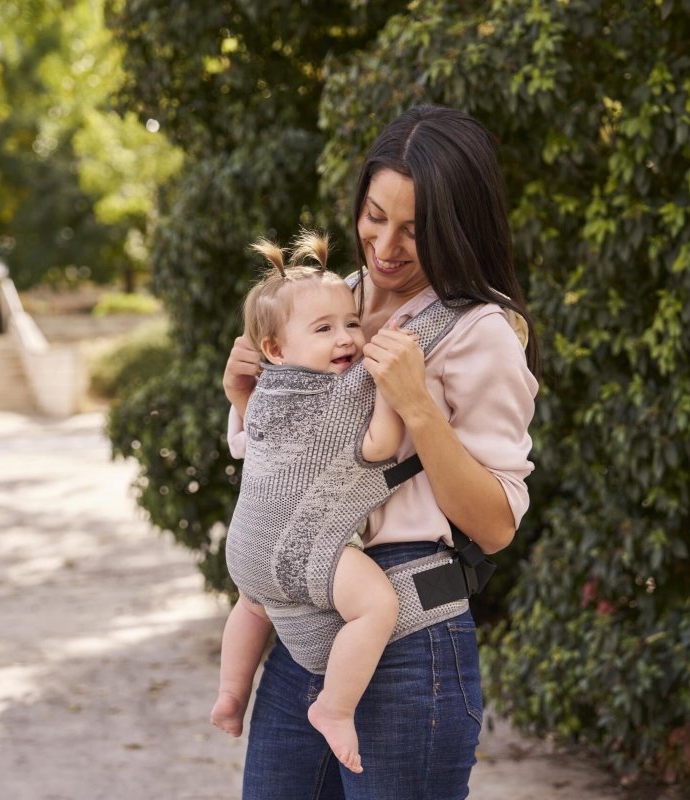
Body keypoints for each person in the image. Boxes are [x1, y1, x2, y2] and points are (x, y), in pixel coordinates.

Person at [220, 104, 539, 800]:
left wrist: (418, 406)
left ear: (458, 226)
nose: (385, 245)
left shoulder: (480, 332)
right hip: (303, 634)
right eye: (374, 215)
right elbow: (286, 470)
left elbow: (495, 525)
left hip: (407, 641)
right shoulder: (325, 303)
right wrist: (244, 397)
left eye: (415, 229)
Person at [210, 232, 414, 773]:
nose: (347, 338)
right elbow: (381, 447)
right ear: (275, 350)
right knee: (377, 607)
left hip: (247, 550)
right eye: (323, 330)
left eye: (351, 322)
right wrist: (391, 394)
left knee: (252, 607)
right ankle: (335, 707)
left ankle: (232, 693)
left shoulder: (266, 393)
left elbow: (251, 436)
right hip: (299, 552)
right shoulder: (345, 391)